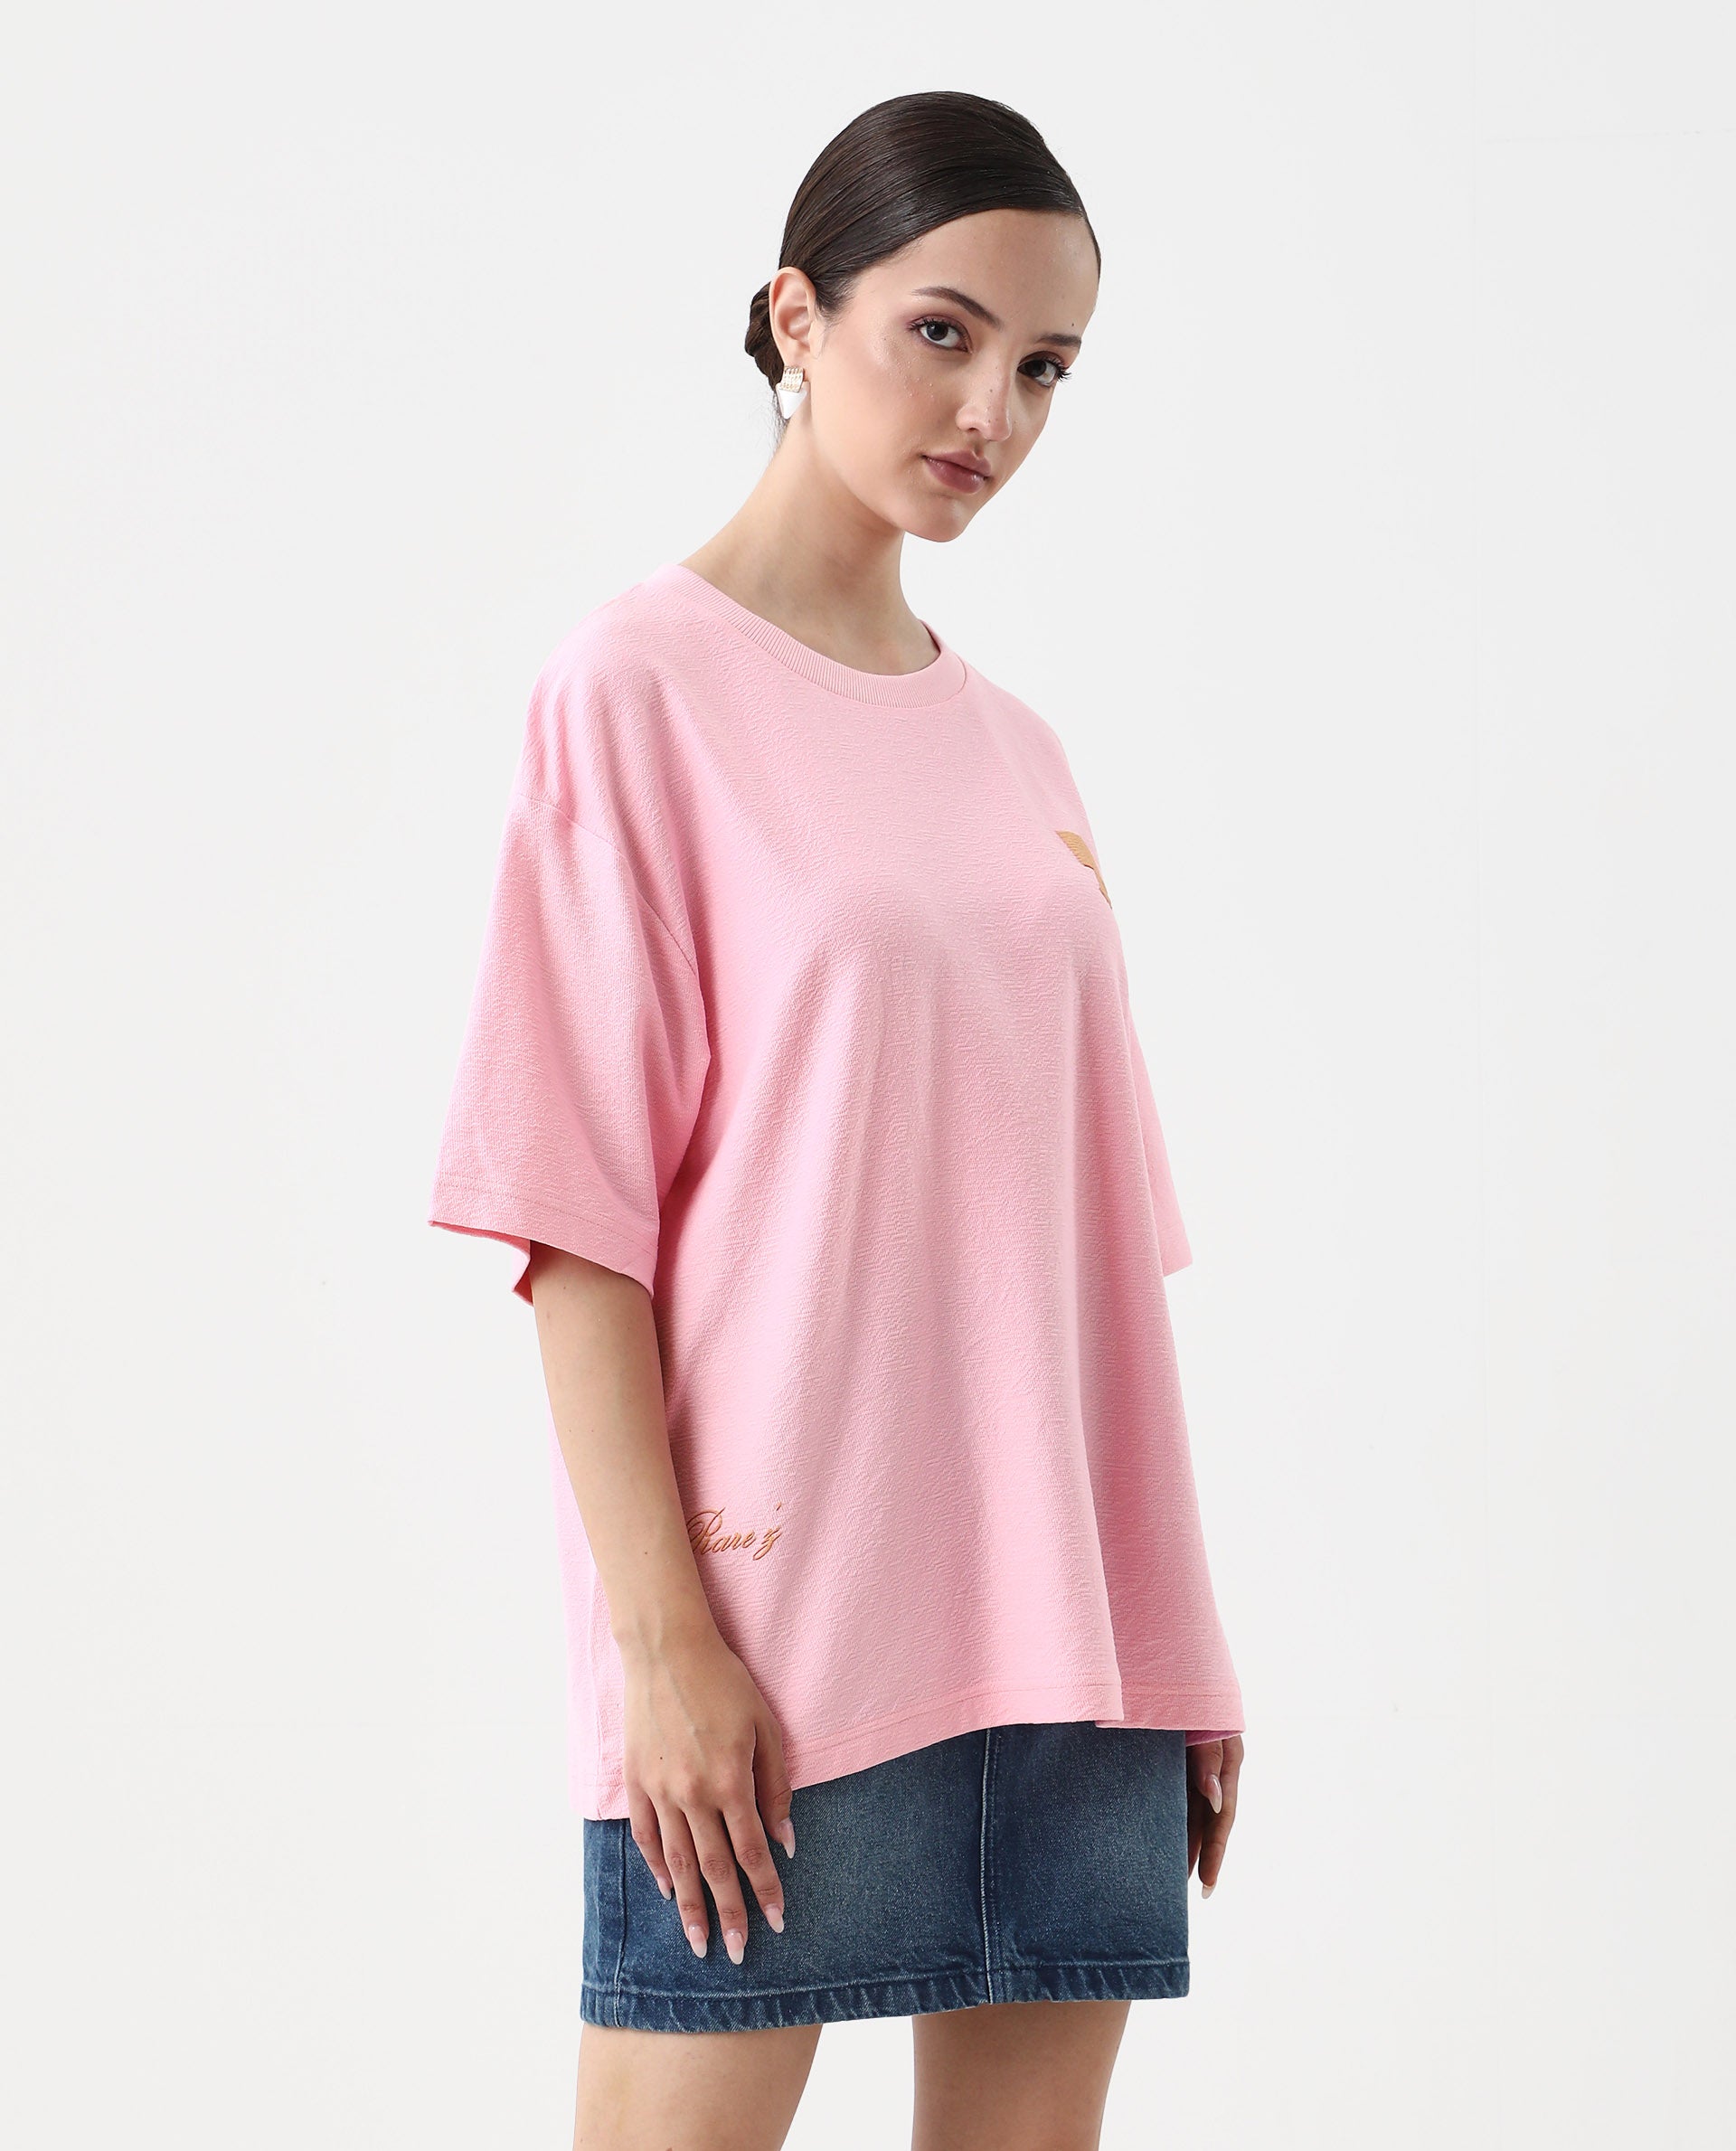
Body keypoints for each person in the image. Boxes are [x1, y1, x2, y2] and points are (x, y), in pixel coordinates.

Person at [428, 87, 1245, 2151]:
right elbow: (574, 1226)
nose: (991, 411)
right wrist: (664, 1650)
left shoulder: (1022, 751)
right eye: (941, 333)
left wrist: (1178, 1639)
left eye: (1045, 367)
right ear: (799, 317)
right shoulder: (636, 691)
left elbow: (1077, 1255)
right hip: (778, 1650)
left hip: (1078, 1646)